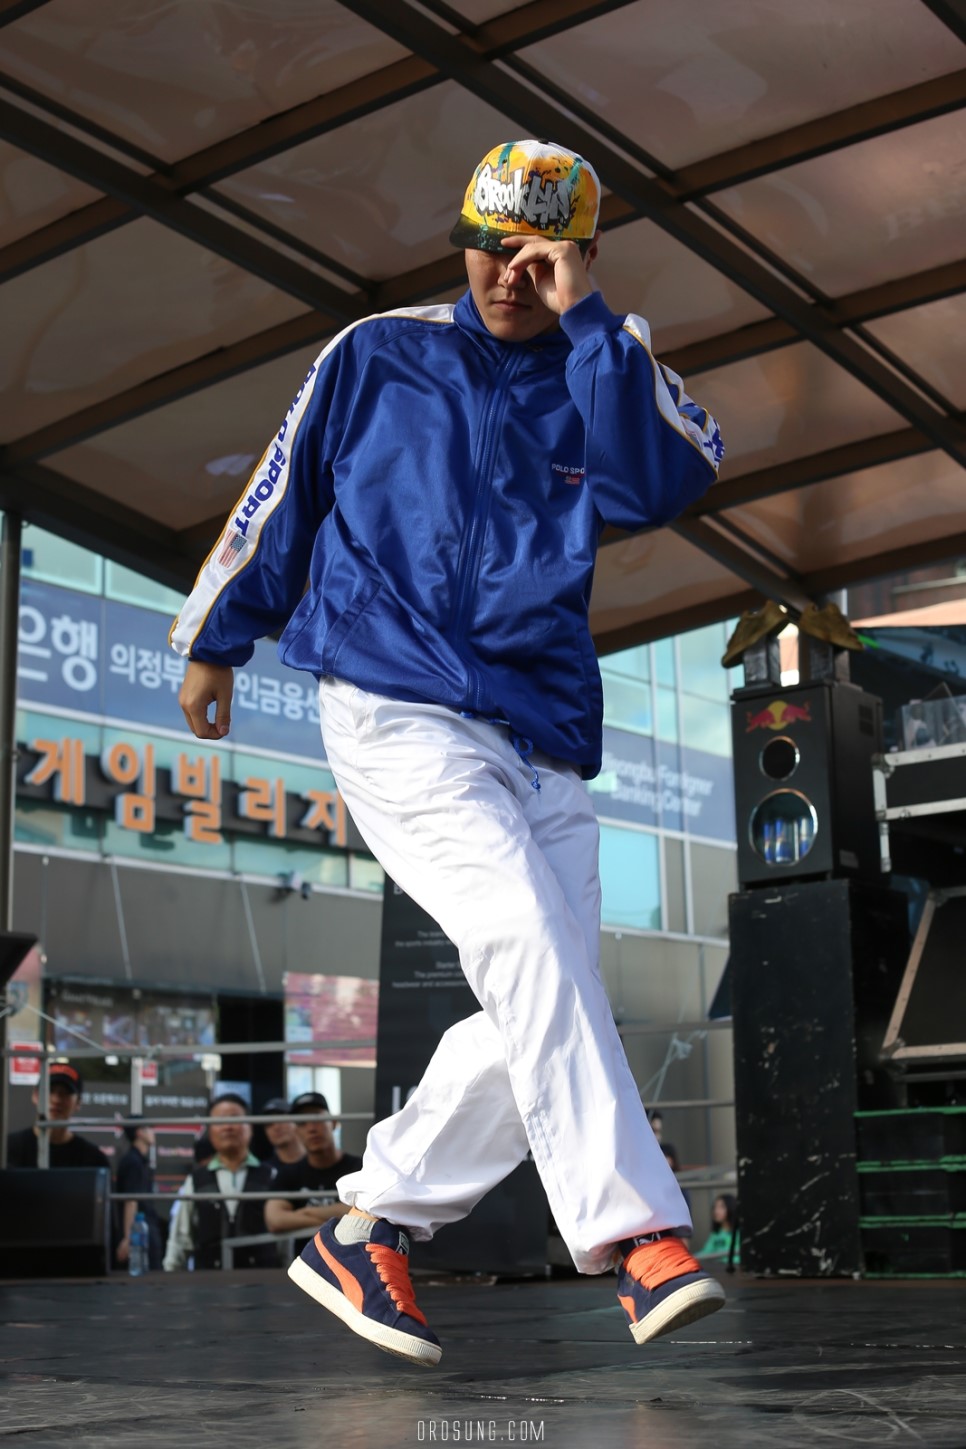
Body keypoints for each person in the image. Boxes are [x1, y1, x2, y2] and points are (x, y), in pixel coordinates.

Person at [173, 139, 725, 1365]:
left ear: (578, 256)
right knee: (532, 951)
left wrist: (592, 324)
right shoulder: (377, 351)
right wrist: (215, 636)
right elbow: (281, 492)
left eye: (534, 257)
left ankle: (368, 1225)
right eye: (487, 248)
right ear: (460, 238)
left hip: (542, 730)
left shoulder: (607, 363)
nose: (506, 276)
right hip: (392, 701)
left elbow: (666, 481)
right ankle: (641, 1237)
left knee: (545, 995)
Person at [163, 1094, 277, 1270]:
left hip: (262, 1279)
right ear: (210, 1131)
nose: (228, 1127)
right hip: (209, 1280)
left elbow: (284, 1242)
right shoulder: (196, 1180)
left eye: (235, 1119)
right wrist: (170, 1274)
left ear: (250, 1127)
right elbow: (180, 1238)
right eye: (219, 1121)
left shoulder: (271, 1176)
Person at [264, 1092, 361, 1235]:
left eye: (317, 1119)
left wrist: (306, 1212)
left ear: (334, 1123)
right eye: (302, 1123)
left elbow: (364, 1210)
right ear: (296, 1131)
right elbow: (275, 1220)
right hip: (306, 1250)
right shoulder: (289, 1173)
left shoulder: (359, 1168)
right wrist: (331, 1223)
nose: (311, 1129)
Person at [6, 1063, 111, 1171]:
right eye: (49, 1090)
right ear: (35, 1095)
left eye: (65, 1093)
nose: (56, 1100)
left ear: (78, 1102)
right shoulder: (6, 1149)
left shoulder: (94, 1160)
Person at [115, 1115, 164, 1270]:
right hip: (140, 1236)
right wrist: (129, 1238)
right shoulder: (133, 1162)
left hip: (145, 1231)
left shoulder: (138, 1161)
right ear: (139, 1132)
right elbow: (131, 1201)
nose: (153, 1133)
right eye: (149, 1128)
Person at [259, 1097, 306, 1172]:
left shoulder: (317, 1162)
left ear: (296, 1121)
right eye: (269, 1123)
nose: (276, 1127)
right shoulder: (264, 1172)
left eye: (281, 1119)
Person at [697, 1194, 740, 1264]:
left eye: (721, 1207)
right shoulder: (716, 1234)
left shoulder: (740, 1232)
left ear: (731, 1208)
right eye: (715, 1207)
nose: (716, 1211)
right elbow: (706, 1252)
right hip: (719, 1267)